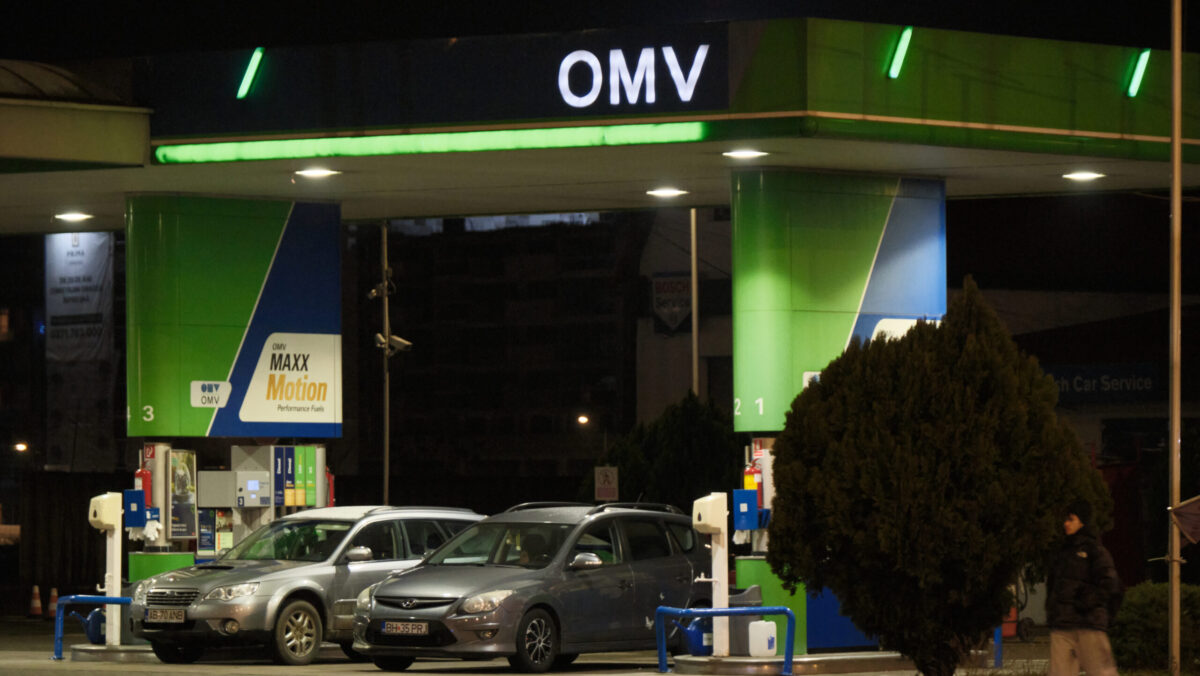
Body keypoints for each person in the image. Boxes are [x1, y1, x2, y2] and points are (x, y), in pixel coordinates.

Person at [1046, 499, 1123, 676]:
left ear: (1082, 521)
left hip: (1088, 624)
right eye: (1066, 519)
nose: (1066, 523)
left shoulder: (1095, 550)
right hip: (1062, 625)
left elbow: (1110, 583)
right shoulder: (1062, 551)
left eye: (1071, 519)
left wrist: (1089, 601)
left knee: (1101, 672)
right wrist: (1052, 609)